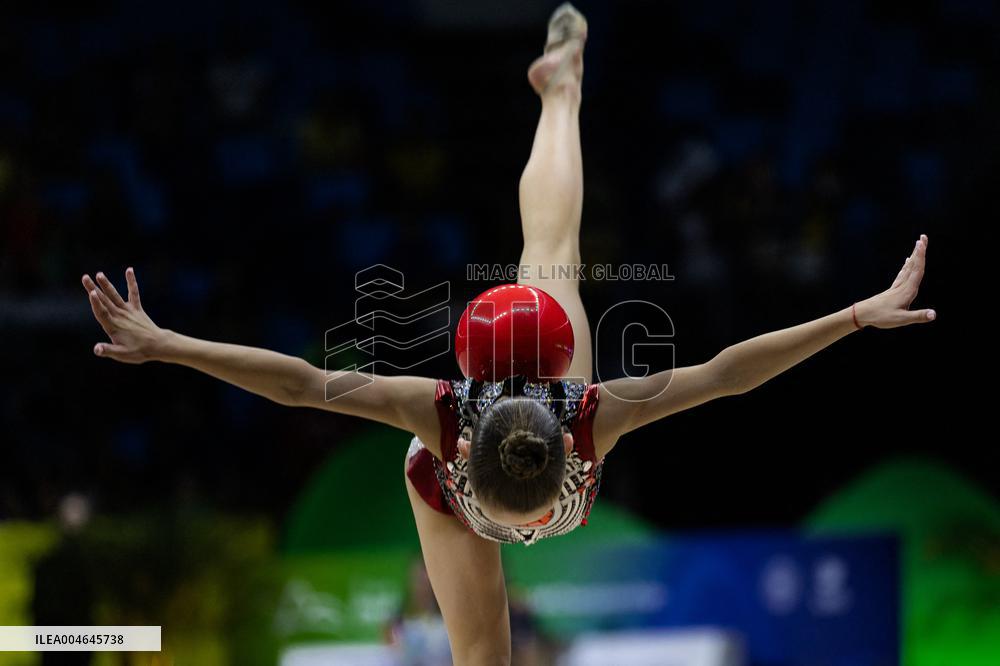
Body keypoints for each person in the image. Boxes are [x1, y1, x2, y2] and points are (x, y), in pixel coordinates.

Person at [80, 3, 936, 663]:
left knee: (551, 253)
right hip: (467, 448)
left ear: (564, 453)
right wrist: (171, 345)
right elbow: (300, 382)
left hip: (532, 357)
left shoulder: (588, 412)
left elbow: (729, 373)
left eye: (519, 519)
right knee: (482, 656)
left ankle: (562, 86)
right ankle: (559, 92)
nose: (520, 535)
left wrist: (855, 316)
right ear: (467, 464)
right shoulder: (440, 422)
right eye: (507, 516)